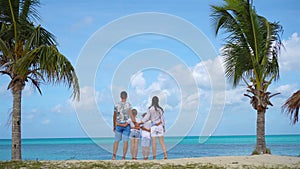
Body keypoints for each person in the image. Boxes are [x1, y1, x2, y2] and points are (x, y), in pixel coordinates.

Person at [112, 91, 133, 160]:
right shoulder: (129, 105)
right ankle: (123, 157)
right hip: (126, 125)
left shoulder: (116, 105)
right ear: (126, 97)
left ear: (120, 97)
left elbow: (114, 116)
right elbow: (131, 116)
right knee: (125, 141)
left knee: (116, 141)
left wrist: (114, 126)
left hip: (118, 124)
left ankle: (114, 156)